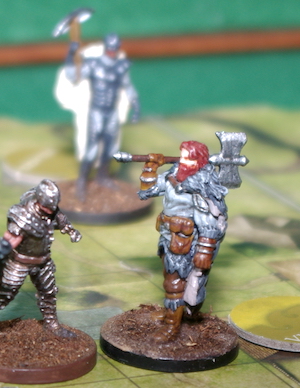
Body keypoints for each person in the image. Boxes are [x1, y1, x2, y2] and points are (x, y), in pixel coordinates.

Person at [0, 179, 82, 352]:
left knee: (49, 293)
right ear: (39, 201)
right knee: (3, 296)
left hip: (43, 261)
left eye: (53, 206)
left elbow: (60, 220)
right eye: (48, 206)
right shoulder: (23, 218)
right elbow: (7, 242)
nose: (52, 210)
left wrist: (71, 231)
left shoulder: (51, 211)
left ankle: (51, 324)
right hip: (19, 263)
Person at [138, 141, 228, 342]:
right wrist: (151, 167)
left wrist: (204, 250)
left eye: (188, 158)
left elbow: (209, 220)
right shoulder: (174, 175)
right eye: (182, 156)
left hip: (186, 242)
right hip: (169, 236)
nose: (183, 160)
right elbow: (148, 191)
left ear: (199, 162)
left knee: (175, 283)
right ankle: (173, 312)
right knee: (170, 277)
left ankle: (172, 326)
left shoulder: (201, 185)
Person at [64, 33, 140, 200]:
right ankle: (82, 181)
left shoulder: (120, 67)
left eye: (115, 48)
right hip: (97, 111)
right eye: (110, 48)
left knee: (110, 148)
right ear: (106, 47)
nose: (112, 51)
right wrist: (70, 54)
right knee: (91, 150)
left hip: (111, 112)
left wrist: (136, 106)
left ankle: (103, 177)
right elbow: (72, 75)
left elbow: (128, 86)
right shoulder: (93, 64)